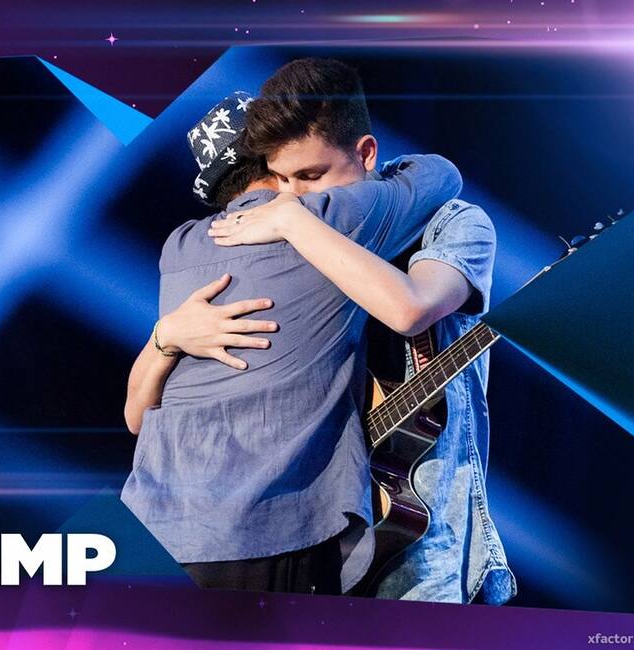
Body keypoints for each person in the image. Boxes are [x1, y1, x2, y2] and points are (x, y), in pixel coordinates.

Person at [120, 81, 463, 594]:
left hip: (149, 529)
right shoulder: (329, 217)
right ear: (275, 161)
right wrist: (296, 209)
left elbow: (136, 418)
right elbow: (440, 176)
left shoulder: (180, 246)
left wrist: (164, 336)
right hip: (262, 531)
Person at [205, 58, 516, 604]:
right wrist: (169, 336)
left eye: (310, 177)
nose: (292, 196)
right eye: (281, 180)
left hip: (424, 553)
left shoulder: (452, 223)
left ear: (366, 154)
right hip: (307, 553)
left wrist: (293, 222)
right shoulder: (290, 237)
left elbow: (410, 309)